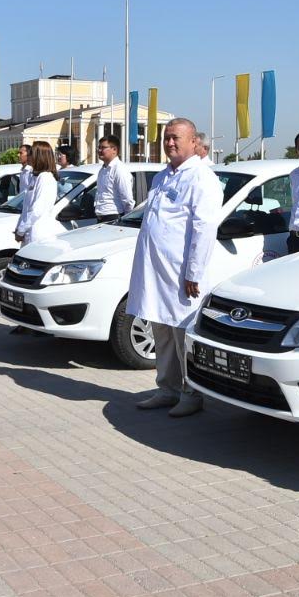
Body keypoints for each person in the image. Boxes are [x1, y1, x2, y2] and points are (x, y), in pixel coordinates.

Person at [128, 119, 223, 418]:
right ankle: (167, 388)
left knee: (183, 334)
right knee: (162, 330)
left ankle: (191, 392)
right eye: (166, 137)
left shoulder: (201, 178)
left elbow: (204, 229)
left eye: (176, 138)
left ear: (194, 142)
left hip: (182, 274)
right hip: (156, 272)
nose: (169, 143)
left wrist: (193, 272)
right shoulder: (162, 177)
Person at [15, 142, 61, 245]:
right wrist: (19, 227)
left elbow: (37, 209)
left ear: (39, 156)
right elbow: (26, 208)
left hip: (37, 234)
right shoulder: (35, 177)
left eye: (31, 153)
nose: (29, 156)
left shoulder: (45, 177)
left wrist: (21, 230)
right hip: (28, 232)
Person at [94, 135, 135, 223]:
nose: (99, 150)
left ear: (114, 150)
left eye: (103, 148)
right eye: (99, 147)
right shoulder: (103, 169)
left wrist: (127, 219)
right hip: (101, 216)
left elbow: (127, 198)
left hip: (114, 216)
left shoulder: (119, 169)